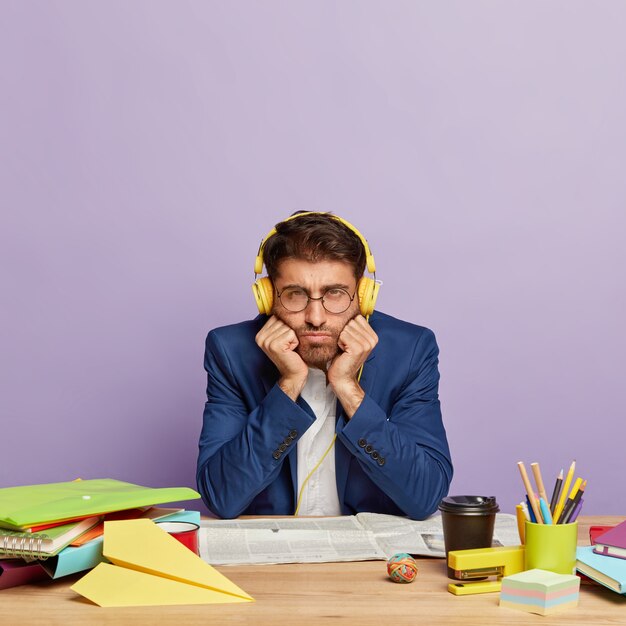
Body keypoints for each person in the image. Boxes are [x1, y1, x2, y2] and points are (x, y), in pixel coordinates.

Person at [196, 212, 452, 520]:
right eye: (294, 294)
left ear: (363, 296)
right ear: (266, 297)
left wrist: (348, 388)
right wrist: (289, 384)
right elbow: (222, 497)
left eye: (335, 293)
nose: (315, 317)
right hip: (274, 558)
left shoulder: (410, 350)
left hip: (369, 560)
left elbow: (425, 496)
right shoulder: (231, 352)